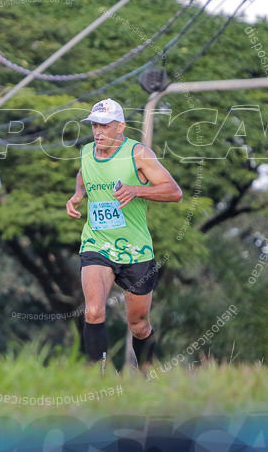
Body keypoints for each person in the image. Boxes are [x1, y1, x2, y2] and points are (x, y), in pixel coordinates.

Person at [65, 98, 182, 373]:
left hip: (136, 251)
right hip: (97, 243)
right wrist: (78, 194)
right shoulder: (86, 152)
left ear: (121, 126)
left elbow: (174, 192)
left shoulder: (138, 154)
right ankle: (97, 377)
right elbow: (84, 173)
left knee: (139, 325)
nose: (98, 132)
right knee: (93, 311)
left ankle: (148, 375)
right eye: (95, 125)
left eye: (105, 125)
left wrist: (137, 190)